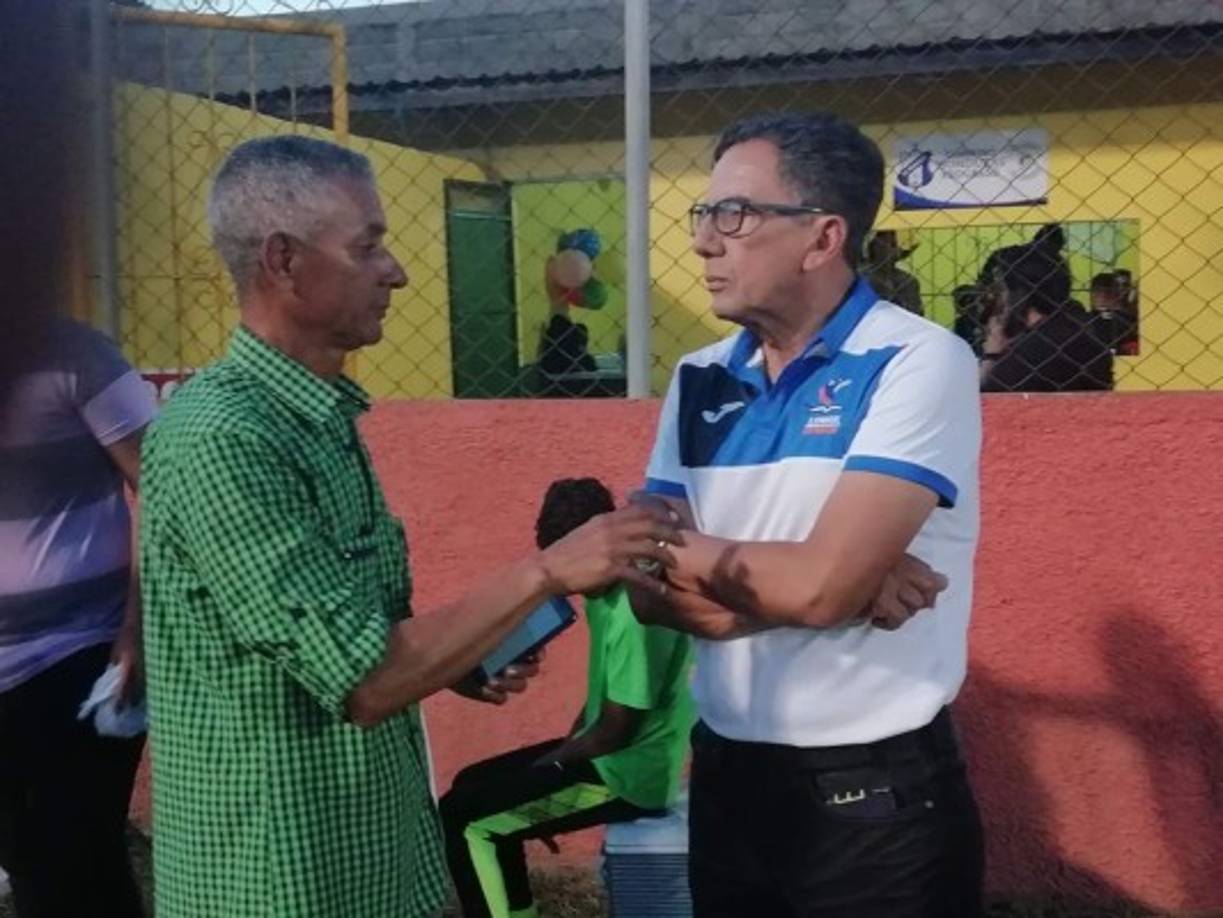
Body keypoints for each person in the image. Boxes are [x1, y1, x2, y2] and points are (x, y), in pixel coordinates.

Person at [139, 136, 678, 918]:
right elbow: (362, 682)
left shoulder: (322, 419)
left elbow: (351, 633)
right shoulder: (222, 436)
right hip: (281, 874)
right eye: (368, 247)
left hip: (374, 849)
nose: (395, 270)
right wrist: (545, 571)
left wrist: (460, 661)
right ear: (284, 261)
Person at [630, 111, 985, 917]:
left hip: (873, 803)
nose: (703, 242)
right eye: (703, 214)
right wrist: (826, 586)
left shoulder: (914, 360)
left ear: (822, 238)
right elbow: (639, 577)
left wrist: (811, 588)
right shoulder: (697, 377)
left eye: (734, 214)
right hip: (725, 775)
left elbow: (817, 588)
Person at [440, 477, 695, 918]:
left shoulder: (637, 612)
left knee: (469, 823)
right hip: (603, 756)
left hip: (627, 777)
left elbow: (619, 729)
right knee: (468, 786)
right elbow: (604, 707)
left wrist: (554, 763)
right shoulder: (606, 587)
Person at [0, 316, 156, 918]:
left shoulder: (76, 355)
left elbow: (168, 488)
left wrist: (138, 627)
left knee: (72, 865)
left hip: (81, 655)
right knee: (29, 861)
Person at [980, 245, 1114, 391]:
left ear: (1016, 293)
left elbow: (985, 403)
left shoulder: (1023, 357)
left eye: (1002, 290)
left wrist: (991, 357)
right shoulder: (1089, 343)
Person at [864, 229, 923, 315]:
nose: (892, 249)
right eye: (887, 244)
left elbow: (916, 315)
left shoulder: (908, 282)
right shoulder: (862, 280)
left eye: (894, 244)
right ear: (872, 247)